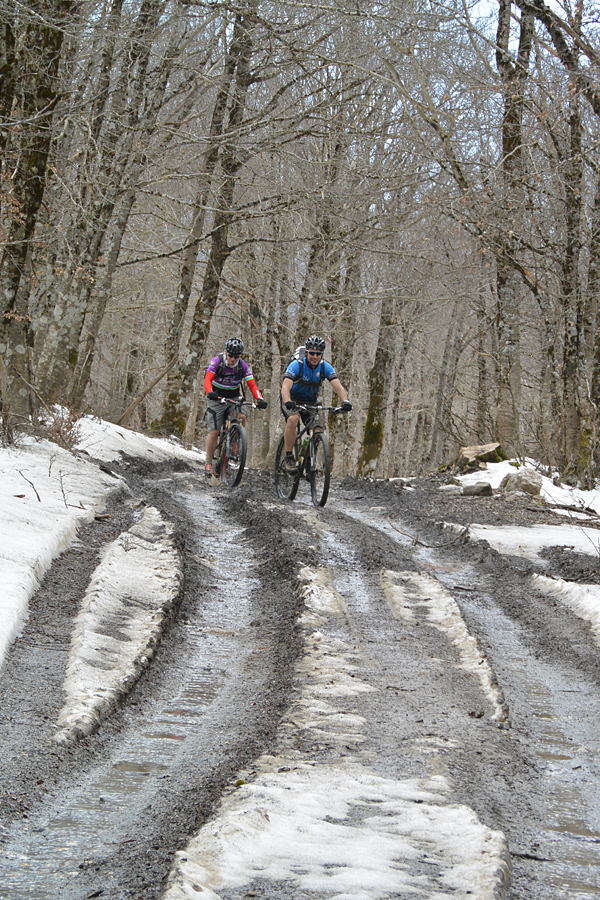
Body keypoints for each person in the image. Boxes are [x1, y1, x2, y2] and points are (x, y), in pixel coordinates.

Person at [280, 334, 352, 473]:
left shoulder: (325, 367)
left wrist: (345, 401)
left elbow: (338, 386)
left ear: (321, 355)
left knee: (318, 430)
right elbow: (285, 387)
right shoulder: (297, 365)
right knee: (293, 419)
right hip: (292, 400)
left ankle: (308, 461)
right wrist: (288, 401)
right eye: (312, 353)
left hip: (311, 402)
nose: (315, 357)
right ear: (306, 352)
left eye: (318, 354)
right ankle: (289, 457)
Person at [204, 337, 267, 477]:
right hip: (217, 397)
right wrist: (210, 393)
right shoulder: (217, 362)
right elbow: (207, 380)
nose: (232, 359)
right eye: (230, 356)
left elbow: (252, 384)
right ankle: (208, 462)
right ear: (226, 353)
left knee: (241, 416)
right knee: (214, 431)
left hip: (234, 397)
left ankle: (236, 441)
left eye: (236, 356)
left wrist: (259, 398)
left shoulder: (242, 366)